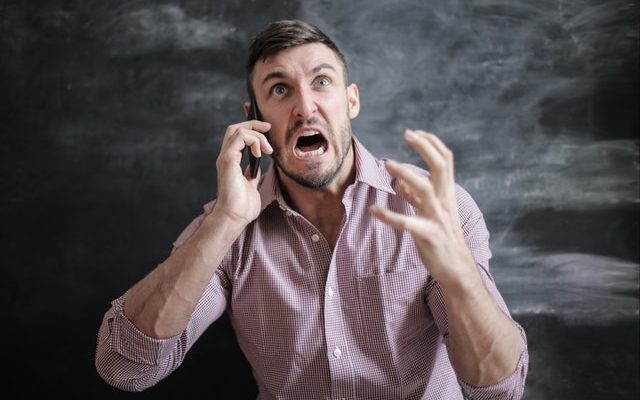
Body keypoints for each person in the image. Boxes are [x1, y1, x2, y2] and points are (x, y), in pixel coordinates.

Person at [95, 19, 528, 399]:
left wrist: (459, 275)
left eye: (321, 82)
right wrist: (225, 221)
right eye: (280, 89)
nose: (304, 107)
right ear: (254, 118)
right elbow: (126, 369)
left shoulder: (434, 209)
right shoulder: (228, 228)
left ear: (351, 100)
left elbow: (498, 390)